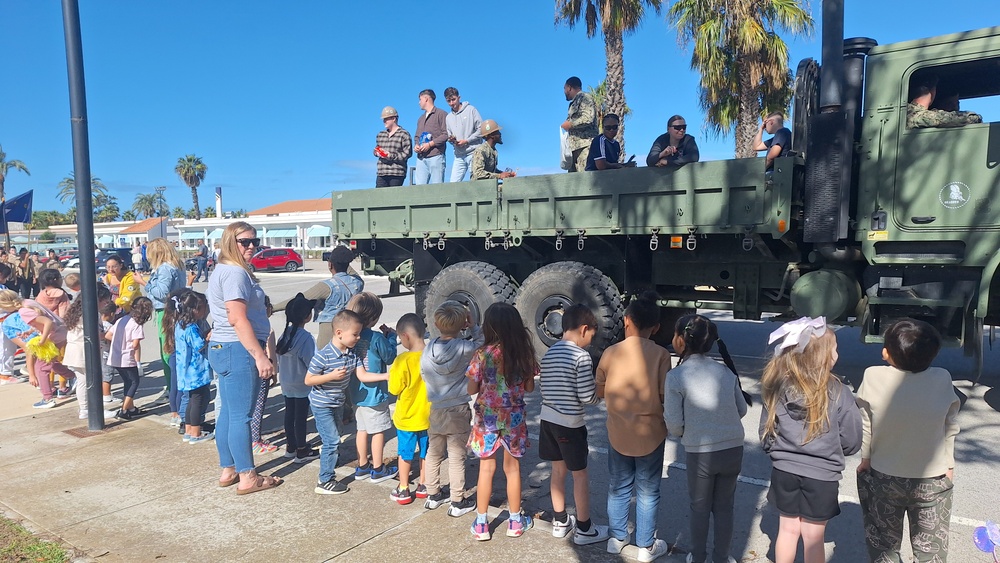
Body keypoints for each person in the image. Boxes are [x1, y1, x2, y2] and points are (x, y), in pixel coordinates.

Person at [855, 319, 960, 563]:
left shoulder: (872, 376)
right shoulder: (942, 378)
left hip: (884, 474)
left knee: (884, 544)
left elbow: (866, 424)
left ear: (886, 352)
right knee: (931, 547)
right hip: (933, 477)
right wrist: (949, 464)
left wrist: (866, 458)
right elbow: (950, 425)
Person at [760, 317, 862, 563]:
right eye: (834, 348)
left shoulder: (778, 386)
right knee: (813, 536)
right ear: (823, 356)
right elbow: (852, 439)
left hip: (784, 469)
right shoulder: (838, 392)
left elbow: (766, 431)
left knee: (787, 530)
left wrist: (777, 452)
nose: (837, 353)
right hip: (822, 475)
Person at [206, 221, 283, 495]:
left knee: (228, 412)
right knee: (242, 416)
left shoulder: (224, 271)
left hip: (223, 348)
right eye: (245, 242)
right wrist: (261, 356)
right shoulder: (235, 274)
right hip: (238, 349)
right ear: (230, 242)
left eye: (255, 241)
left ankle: (229, 468)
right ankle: (248, 475)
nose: (252, 246)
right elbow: (237, 319)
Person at [664, 315, 748, 563]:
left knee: (699, 508)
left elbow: (674, 423)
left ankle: (698, 557)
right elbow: (741, 410)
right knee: (724, 508)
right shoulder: (725, 371)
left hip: (700, 451)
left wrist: (684, 433)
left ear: (680, 340)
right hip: (733, 447)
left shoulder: (676, 376)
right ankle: (722, 557)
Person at [596, 291, 672, 562]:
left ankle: (617, 538)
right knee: (648, 490)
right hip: (651, 432)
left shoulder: (610, 352)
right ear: (657, 327)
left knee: (618, 485)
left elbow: (601, 389)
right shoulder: (662, 355)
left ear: (626, 320)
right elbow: (665, 394)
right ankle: (646, 545)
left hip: (618, 430)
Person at [538, 304, 610, 545]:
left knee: (557, 471)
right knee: (580, 475)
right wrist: (601, 392)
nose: (590, 341)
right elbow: (587, 396)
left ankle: (560, 521)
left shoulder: (549, 353)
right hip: (570, 424)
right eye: (591, 336)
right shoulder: (580, 356)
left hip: (548, 421)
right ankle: (585, 528)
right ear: (584, 329)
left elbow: (544, 389)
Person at [467, 302, 539, 541]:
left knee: (486, 469)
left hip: (486, 417)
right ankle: (515, 521)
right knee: (513, 469)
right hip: (514, 417)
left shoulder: (482, 354)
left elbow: (470, 389)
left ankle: (481, 524)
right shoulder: (524, 354)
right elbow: (529, 387)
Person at [305, 309, 378, 495]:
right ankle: (325, 480)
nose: (358, 337)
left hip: (337, 403)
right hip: (321, 404)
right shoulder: (323, 355)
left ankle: (330, 459)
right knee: (331, 440)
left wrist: (387, 376)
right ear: (339, 333)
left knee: (336, 434)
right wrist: (331, 376)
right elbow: (309, 380)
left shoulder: (351, 355)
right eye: (355, 334)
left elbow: (362, 375)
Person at [421, 300, 483, 516]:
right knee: (457, 456)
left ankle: (433, 494)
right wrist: (473, 326)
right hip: (457, 407)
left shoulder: (428, 348)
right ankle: (457, 500)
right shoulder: (465, 347)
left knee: (433, 453)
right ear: (462, 324)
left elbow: (423, 374)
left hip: (436, 407)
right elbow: (482, 343)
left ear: (437, 324)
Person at [345, 292, 396, 482]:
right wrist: (391, 337)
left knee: (362, 429)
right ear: (373, 318)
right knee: (378, 431)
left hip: (357, 392)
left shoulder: (351, 337)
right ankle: (378, 468)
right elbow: (389, 356)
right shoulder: (375, 337)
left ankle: (362, 465)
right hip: (375, 394)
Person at [135, 238, 187, 424]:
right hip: (174, 311)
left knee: (168, 353)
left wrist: (143, 282)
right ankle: (174, 387)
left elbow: (162, 292)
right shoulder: (177, 265)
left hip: (165, 312)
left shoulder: (165, 268)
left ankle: (172, 388)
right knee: (173, 351)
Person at [274, 245, 363, 348]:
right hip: (349, 326)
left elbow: (299, 299)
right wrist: (342, 259)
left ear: (330, 265)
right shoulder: (357, 282)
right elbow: (350, 271)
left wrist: (273, 308)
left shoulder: (327, 286)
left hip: (329, 329)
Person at [0, 290, 73, 409]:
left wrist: (43, 339)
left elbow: (47, 322)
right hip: (59, 333)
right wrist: (29, 331)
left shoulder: (24, 311)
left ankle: (47, 398)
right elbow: (42, 321)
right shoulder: (28, 302)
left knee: (41, 368)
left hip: (53, 336)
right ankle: (72, 376)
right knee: (50, 363)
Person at [387, 313, 430, 505]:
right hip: (429, 415)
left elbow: (393, 388)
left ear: (405, 336)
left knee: (405, 453)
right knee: (426, 452)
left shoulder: (402, 360)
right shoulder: (432, 355)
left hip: (406, 417)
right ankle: (424, 484)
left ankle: (404, 488)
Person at [167, 290, 215, 444]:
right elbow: (199, 345)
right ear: (194, 309)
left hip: (184, 369)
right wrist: (208, 338)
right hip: (196, 371)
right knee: (197, 400)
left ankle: (189, 430)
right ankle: (195, 433)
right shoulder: (192, 327)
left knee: (190, 400)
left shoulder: (180, 325)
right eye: (201, 308)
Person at [276, 293, 319, 463]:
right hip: (302, 383)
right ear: (307, 317)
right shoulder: (305, 338)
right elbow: (312, 363)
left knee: (290, 414)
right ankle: (302, 450)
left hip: (286, 382)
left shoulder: (284, 335)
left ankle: (291, 446)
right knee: (300, 417)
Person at [63, 285, 115, 419]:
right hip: (84, 350)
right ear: (98, 299)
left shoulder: (75, 312)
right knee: (93, 381)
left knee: (82, 382)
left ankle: (84, 409)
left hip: (73, 349)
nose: (106, 304)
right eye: (105, 300)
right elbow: (95, 333)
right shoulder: (91, 313)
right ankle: (94, 409)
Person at [106, 296, 154, 421]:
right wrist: (131, 348)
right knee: (134, 382)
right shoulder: (137, 325)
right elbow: (135, 344)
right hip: (127, 357)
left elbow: (108, 335)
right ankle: (124, 409)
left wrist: (119, 341)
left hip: (115, 356)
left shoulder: (122, 319)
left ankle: (131, 408)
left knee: (127, 381)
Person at [250, 295, 278, 454]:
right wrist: (274, 373)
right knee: (259, 406)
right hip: (263, 370)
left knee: (250, 406)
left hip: (250, 369)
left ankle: (251, 438)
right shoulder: (267, 329)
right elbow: (271, 353)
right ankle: (255, 440)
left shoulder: (250, 327)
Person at [906, 73, 982, 129]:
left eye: (957, 104)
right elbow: (967, 118)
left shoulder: (906, 112)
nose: (955, 107)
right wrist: (975, 118)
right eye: (949, 104)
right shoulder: (914, 114)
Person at [444, 87, 484, 182]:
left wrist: (467, 140)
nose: (452, 103)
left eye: (453, 99)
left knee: (476, 182)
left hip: (474, 153)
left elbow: (481, 130)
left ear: (459, 97)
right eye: (448, 101)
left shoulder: (471, 110)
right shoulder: (448, 117)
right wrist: (452, 140)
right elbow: (449, 134)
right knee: (453, 184)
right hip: (458, 155)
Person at [562, 76, 599, 173]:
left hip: (585, 146)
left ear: (569, 87)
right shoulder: (573, 103)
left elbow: (588, 118)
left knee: (585, 179)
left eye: (564, 88)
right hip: (573, 149)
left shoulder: (585, 97)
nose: (564, 92)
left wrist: (570, 124)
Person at [413, 89, 449, 185]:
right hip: (421, 159)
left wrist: (430, 144)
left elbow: (446, 134)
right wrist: (416, 145)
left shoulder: (442, 114)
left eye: (420, 99)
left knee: (437, 190)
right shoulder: (420, 119)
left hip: (436, 156)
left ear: (426, 99)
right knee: (419, 191)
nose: (419, 102)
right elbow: (417, 136)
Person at [0, 264, 26, 384]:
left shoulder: (3, 287)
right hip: (3, 322)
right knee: (6, 348)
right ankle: (5, 374)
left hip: (7, 320)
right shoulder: (2, 290)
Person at [374, 106, 412, 187]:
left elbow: (407, 153)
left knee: (394, 198)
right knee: (379, 198)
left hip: (397, 173)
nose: (384, 121)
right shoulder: (380, 135)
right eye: (383, 119)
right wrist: (376, 152)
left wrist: (390, 156)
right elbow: (376, 148)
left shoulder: (404, 134)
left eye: (386, 119)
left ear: (394, 119)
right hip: (382, 173)